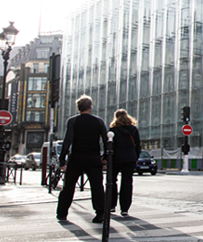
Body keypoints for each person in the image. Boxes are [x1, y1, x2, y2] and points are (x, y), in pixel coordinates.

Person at [57, 95, 108, 223]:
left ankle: (62, 212)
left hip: (76, 157)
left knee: (69, 185)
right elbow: (106, 140)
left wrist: (62, 159)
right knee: (97, 186)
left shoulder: (73, 121)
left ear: (78, 108)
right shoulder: (99, 121)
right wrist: (105, 157)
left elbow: (67, 141)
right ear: (90, 107)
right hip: (93, 157)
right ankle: (100, 212)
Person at [109, 109, 141, 217]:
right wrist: (136, 156)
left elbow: (109, 145)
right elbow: (138, 145)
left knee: (112, 181)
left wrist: (106, 157)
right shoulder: (133, 130)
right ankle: (125, 208)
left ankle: (111, 205)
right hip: (130, 157)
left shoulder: (113, 130)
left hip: (116, 158)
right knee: (127, 182)